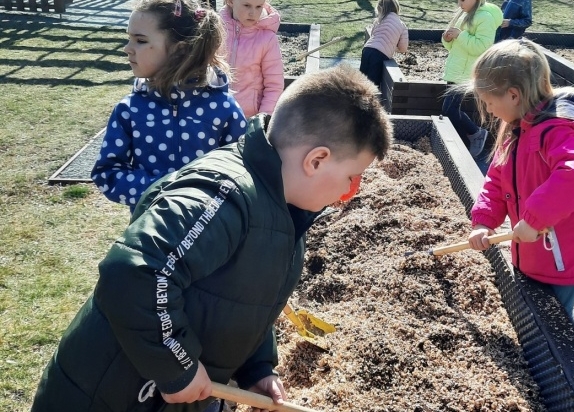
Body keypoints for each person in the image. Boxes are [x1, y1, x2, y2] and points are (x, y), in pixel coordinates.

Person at [31, 64, 392, 412]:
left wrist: (257, 368)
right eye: (352, 177)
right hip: (108, 395)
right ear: (316, 160)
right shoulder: (224, 197)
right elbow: (135, 272)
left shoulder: (284, 212)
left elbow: (246, 301)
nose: (350, 192)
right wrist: (178, 366)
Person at [466, 38, 574, 318]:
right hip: (538, 249)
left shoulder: (558, 131)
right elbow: (498, 178)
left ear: (513, 95)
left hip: (565, 255)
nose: (488, 110)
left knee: (555, 320)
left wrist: (535, 219)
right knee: (536, 312)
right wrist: (484, 222)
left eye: (489, 102)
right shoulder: (516, 128)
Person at [91, 0, 247, 213]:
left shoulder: (222, 107)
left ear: (179, 51)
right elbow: (106, 172)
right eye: (129, 39)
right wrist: (159, 190)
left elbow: (244, 171)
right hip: (151, 232)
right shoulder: (130, 109)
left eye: (140, 40)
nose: (127, 48)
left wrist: (204, 196)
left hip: (210, 233)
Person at [440, 0, 502, 158]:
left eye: (463, 0)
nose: (459, 3)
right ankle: (465, 143)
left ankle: (476, 134)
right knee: (449, 111)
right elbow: (455, 46)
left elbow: (482, 47)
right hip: (456, 70)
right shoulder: (465, 15)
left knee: (449, 110)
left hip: (465, 73)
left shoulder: (485, 18)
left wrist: (460, 35)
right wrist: (447, 39)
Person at [218, 0, 285, 119]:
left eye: (259, 6)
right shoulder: (216, 31)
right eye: (247, 5)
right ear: (230, 2)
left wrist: (264, 117)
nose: (253, 13)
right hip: (215, 115)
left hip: (249, 118)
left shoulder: (267, 39)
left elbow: (274, 85)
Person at [359, 0, 409, 87]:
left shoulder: (379, 20)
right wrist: (393, 46)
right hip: (380, 54)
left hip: (367, 49)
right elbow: (403, 48)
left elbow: (373, 34)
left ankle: (354, 98)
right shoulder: (402, 25)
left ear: (380, 10)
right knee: (373, 85)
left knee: (361, 80)